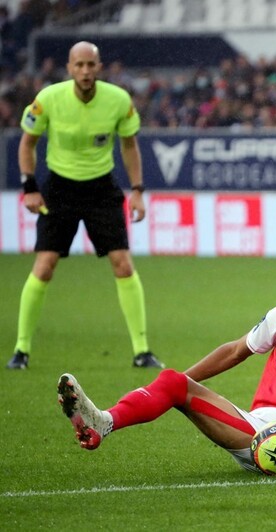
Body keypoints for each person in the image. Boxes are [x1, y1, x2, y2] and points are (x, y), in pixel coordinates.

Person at [57, 265, 276, 480]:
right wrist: (182, 384)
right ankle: (105, 422)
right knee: (173, 380)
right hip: (256, 432)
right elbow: (236, 351)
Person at [7, 41, 163, 370]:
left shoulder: (118, 100)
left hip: (100, 188)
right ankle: (21, 351)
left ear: (99, 67)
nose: (85, 71)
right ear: (69, 68)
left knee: (123, 263)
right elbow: (27, 143)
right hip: (59, 188)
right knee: (45, 265)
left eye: (90, 65)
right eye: (79, 65)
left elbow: (130, 146)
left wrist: (137, 190)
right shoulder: (48, 99)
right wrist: (29, 186)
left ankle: (142, 350)